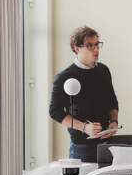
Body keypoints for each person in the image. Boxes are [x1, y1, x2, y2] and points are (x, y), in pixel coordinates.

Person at [49, 26, 119, 162]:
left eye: (97, 44)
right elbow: (54, 111)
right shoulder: (64, 77)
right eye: (90, 46)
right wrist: (84, 127)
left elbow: (112, 101)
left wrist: (114, 122)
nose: (96, 49)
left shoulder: (104, 70)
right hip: (82, 148)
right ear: (76, 48)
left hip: (107, 145)